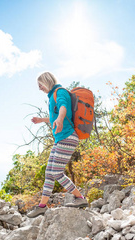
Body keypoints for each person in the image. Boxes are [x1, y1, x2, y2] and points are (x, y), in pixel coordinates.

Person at [27, 71, 88, 218]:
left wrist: (60, 120)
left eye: (40, 84)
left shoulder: (60, 92)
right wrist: (42, 120)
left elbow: (63, 108)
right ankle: (42, 206)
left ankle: (80, 198)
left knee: (56, 172)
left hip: (67, 137)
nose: (39, 88)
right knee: (49, 172)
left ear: (47, 81)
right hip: (60, 139)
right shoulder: (52, 95)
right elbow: (55, 115)